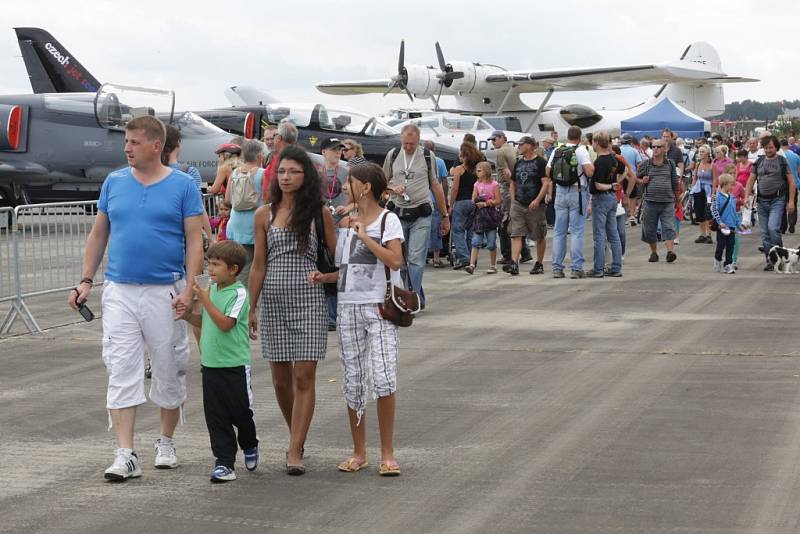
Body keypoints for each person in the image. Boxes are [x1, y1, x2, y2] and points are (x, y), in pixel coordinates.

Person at [68, 116, 203, 481]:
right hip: (120, 290)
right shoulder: (114, 182)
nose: (126, 147)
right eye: (125, 141)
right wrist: (85, 280)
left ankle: (166, 441)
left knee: (168, 367)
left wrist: (190, 287)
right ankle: (125, 453)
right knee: (120, 367)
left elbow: (194, 239)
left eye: (134, 142)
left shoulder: (182, 185)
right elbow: (98, 235)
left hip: (165, 290)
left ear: (156, 145)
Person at [308, 163, 404, 477]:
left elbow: (394, 260)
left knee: (383, 377)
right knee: (353, 380)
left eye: (349, 182)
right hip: (349, 307)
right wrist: (326, 277)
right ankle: (359, 451)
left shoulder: (388, 220)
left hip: (380, 308)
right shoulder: (347, 223)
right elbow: (351, 269)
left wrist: (366, 237)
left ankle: (387, 453)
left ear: (364, 187)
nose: (344, 187)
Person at [248, 146, 337, 475]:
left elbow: (337, 258)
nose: (285, 177)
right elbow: (258, 265)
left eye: (293, 172)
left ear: (306, 176)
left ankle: (295, 447)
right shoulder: (264, 214)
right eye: (281, 172)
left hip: (309, 300)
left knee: (304, 376)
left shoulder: (319, 213)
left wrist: (329, 277)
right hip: (273, 300)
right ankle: (295, 433)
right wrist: (250, 306)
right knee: (280, 381)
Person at [181, 241, 258, 483]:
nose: (210, 270)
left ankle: (249, 443)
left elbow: (225, 324)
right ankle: (224, 462)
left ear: (233, 269)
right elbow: (206, 323)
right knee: (216, 417)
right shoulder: (212, 291)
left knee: (240, 413)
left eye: (216, 265)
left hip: (234, 365)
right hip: (211, 365)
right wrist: (186, 314)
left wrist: (204, 300)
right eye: (208, 264)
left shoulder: (238, 293)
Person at [383, 124, 450, 309]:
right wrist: (392, 188)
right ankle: (416, 295)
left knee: (416, 259)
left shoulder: (428, 156)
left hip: (421, 213)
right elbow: (382, 181)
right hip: (398, 213)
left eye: (411, 144)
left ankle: (409, 299)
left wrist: (445, 215)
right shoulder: (393, 155)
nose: (408, 147)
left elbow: (436, 185)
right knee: (402, 262)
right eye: (405, 143)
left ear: (418, 141)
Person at [547, 126, 594, 279]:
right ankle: (576, 268)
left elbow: (548, 171)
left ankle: (557, 268)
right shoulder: (581, 151)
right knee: (576, 231)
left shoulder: (557, 150)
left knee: (559, 232)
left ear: (567, 136)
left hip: (560, 192)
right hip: (577, 192)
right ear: (580, 137)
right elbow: (589, 172)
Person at [744, 135, 796, 270]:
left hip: (777, 200)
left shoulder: (782, 161)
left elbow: (791, 182)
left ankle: (781, 255)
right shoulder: (759, 162)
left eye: (771, 147)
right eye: (766, 147)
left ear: (776, 148)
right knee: (765, 232)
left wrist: (791, 202)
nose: (768, 150)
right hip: (762, 201)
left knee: (773, 228)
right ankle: (770, 260)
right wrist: (746, 197)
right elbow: (751, 179)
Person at [162, 125, 214, 245]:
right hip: (183, 237)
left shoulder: (150, 171)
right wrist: (211, 238)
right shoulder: (189, 172)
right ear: (178, 143)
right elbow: (199, 208)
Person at [320, 137, 350, 331]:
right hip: (323, 225)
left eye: (339, 149)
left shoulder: (347, 171)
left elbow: (358, 198)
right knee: (327, 267)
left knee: (341, 267)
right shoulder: (316, 173)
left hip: (342, 225)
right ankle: (330, 316)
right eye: (333, 149)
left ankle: (339, 314)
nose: (337, 152)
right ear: (324, 152)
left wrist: (347, 207)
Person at [225, 139, 265, 282]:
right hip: (254, 227)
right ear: (260, 156)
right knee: (250, 269)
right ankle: (242, 299)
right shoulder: (263, 173)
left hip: (235, 226)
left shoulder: (235, 173)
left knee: (237, 266)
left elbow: (228, 199)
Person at [508, 136, 549, 275]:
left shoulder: (541, 162)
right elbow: (512, 182)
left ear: (530, 146)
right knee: (516, 234)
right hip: (518, 204)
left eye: (521, 144)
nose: (518, 146)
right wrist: (513, 200)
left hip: (535, 206)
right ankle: (514, 263)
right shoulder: (518, 163)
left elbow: (546, 183)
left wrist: (538, 200)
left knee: (539, 235)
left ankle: (539, 263)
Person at [489, 130, 530, 265]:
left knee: (504, 221)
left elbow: (506, 173)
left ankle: (507, 254)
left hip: (506, 188)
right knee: (517, 219)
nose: (493, 142)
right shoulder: (514, 149)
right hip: (518, 187)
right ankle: (524, 251)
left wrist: (509, 188)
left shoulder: (501, 152)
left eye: (495, 139)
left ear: (502, 138)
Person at [587, 132, 623, 278]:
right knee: (613, 234)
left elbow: (598, 185)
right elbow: (625, 170)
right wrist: (617, 183)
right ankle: (616, 267)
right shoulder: (613, 159)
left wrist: (610, 185)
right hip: (612, 199)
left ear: (596, 142)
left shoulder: (599, 162)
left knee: (599, 235)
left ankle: (598, 268)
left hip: (601, 198)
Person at [637, 138, 679, 263]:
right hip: (650, 201)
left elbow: (674, 183)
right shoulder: (646, 164)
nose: (655, 149)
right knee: (649, 228)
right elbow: (637, 179)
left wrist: (678, 200)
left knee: (669, 227)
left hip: (667, 202)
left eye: (659, 147)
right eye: (654, 146)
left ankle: (670, 252)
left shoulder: (670, 164)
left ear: (665, 149)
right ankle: (653, 253)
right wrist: (642, 181)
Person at [449, 143, 481, 269]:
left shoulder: (459, 169)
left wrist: (451, 204)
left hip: (461, 201)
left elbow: (455, 189)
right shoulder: (478, 169)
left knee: (458, 230)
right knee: (471, 231)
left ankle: (464, 257)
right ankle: (472, 258)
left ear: (463, 155)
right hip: (474, 201)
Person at [466, 161, 501, 274]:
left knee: (491, 242)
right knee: (476, 241)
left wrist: (487, 203)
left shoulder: (494, 184)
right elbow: (473, 199)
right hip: (479, 215)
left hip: (490, 214)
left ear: (486, 171)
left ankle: (493, 265)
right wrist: (477, 202)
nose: (477, 172)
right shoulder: (477, 184)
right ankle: (471, 264)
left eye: (479, 170)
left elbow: (498, 200)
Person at [424, 140, 449, 268]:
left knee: (422, 230)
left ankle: (421, 257)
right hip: (435, 200)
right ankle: (436, 258)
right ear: (435, 149)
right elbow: (444, 181)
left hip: (421, 200)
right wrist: (444, 199)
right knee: (436, 230)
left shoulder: (419, 160)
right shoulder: (439, 161)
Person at [710, 174, 740, 274]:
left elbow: (734, 212)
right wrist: (720, 222)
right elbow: (714, 210)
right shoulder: (717, 197)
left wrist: (738, 224)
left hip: (731, 227)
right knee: (721, 245)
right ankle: (717, 259)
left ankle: (728, 264)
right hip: (722, 227)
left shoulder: (732, 197)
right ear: (724, 184)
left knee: (731, 246)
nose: (732, 187)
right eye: (731, 185)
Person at [690, 146, 714, 244]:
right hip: (698, 189)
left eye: (703, 152)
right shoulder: (698, 164)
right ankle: (702, 234)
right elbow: (695, 177)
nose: (701, 153)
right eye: (700, 152)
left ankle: (709, 234)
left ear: (708, 153)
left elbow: (715, 179)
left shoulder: (712, 165)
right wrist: (692, 187)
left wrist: (713, 191)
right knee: (699, 211)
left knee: (707, 211)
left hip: (708, 189)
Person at [620, 133, 644, 226]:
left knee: (623, 195)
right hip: (632, 176)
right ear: (630, 141)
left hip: (621, 176)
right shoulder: (634, 151)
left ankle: (625, 216)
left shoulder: (619, 150)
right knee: (632, 196)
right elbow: (639, 165)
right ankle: (632, 215)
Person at [779, 138, 800, 233]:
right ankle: (792, 223)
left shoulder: (779, 156)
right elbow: (799, 171)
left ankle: (783, 227)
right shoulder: (795, 156)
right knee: (793, 204)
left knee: (781, 205)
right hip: (794, 183)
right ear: (788, 145)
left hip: (782, 183)